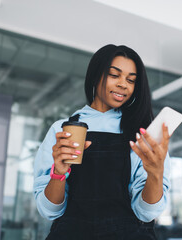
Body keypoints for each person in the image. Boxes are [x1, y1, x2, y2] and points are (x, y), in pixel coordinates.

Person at [33, 44, 171, 239]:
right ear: (96, 75)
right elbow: (50, 211)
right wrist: (58, 174)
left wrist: (155, 174)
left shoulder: (144, 135)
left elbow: (146, 213)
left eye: (131, 80)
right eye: (114, 75)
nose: (123, 84)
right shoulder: (62, 130)